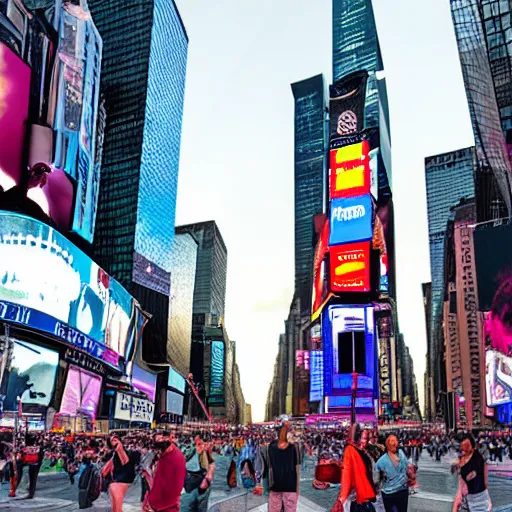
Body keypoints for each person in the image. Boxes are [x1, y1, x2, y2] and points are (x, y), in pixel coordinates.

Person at [335, 424, 376, 511]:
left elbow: (346, 479)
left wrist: (340, 501)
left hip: (358, 500)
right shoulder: (365, 453)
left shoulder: (349, 451)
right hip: (368, 498)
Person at [144, 432, 186, 512]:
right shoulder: (162, 455)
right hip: (157, 503)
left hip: (166, 505)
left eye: (162, 438)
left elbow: (174, 486)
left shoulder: (175, 457)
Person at [265, 419, 301, 512]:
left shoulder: (271, 447)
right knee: (290, 508)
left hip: (275, 485)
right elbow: (298, 467)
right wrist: (297, 488)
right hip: (290, 485)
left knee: (274, 509)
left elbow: (268, 466)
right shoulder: (294, 448)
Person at [101, 434, 140, 512]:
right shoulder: (112, 454)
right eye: (112, 440)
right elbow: (104, 462)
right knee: (115, 507)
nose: (114, 441)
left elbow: (125, 462)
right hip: (115, 481)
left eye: (116, 439)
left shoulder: (128, 452)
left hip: (123, 482)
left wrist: (119, 448)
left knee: (117, 508)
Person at [453, 435, 491, 512]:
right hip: (469, 500)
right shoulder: (459, 463)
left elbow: (485, 482)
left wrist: (488, 499)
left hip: (479, 500)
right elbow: (460, 487)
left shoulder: (479, 457)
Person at [180, 435, 216, 512]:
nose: (202, 446)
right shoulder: (190, 452)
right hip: (191, 483)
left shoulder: (205, 454)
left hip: (200, 484)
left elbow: (209, 465)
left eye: (203, 444)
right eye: (199, 444)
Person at [376, 435, 409, 512]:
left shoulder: (381, 460)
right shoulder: (401, 454)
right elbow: (407, 469)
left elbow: (375, 478)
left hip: (389, 493)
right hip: (401, 491)